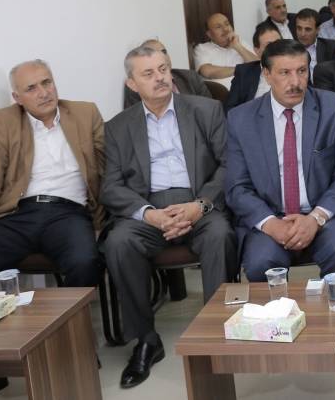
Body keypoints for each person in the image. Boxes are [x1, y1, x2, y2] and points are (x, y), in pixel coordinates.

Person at [101, 46, 237, 388]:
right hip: (149, 210)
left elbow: (229, 165)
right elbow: (111, 187)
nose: (160, 77)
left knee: (220, 235)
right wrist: (150, 215)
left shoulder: (206, 110)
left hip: (199, 202)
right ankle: (146, 341)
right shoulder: (118, 127)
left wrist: (200, 205)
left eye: (163, 69)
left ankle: (216, 331)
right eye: (148, 73)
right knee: (118, 242)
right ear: (132, 84)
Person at [0, 60, 104, 397]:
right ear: (17, 97)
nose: (43, 92)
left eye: (47, 82)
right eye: (31, 88)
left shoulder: (85, 113)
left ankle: (77, 347)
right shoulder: (1, 122)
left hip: (69, 212)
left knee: (84, 261)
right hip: (17, 214)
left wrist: (108, 218)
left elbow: (107, 169)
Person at [225, 39, 335, 292]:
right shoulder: (241, 119)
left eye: (301, 71)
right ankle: (278, 315)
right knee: (260, 262)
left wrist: (315, 218)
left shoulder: (333, 108)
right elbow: (237, 187)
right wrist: (270, 223)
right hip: (271, 215)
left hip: (325, 213)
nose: (295, 82)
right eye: (284, 73)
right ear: (266, 74)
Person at [124, 39, 211, 108]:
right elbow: (134, 119)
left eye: (164, 52)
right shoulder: (136, 87)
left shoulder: (190, 77)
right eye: (153, 53)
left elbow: (210, 108)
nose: (162, 57)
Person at [225, 22, 281, 112]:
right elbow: (230, 109)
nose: (277, 49)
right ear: (257, 51)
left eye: (279, 43)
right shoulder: (244, 72)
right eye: (269, 45)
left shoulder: (295, 70)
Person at [193, 13, 257, 89]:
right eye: (218, 27)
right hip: (219, 93)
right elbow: (208, 72)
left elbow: (258, 66)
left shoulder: (241, 44)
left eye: (227, 24)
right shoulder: (202, 48)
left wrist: (238, 47)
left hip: (248, 91)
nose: (226, 29)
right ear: (209, 34)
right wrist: (240, 69)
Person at [294, 7, 335, 78]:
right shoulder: (289, 50)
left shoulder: (331, 47)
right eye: (299, 28)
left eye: (308, 29)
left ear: (317, 30)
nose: (302, 34)